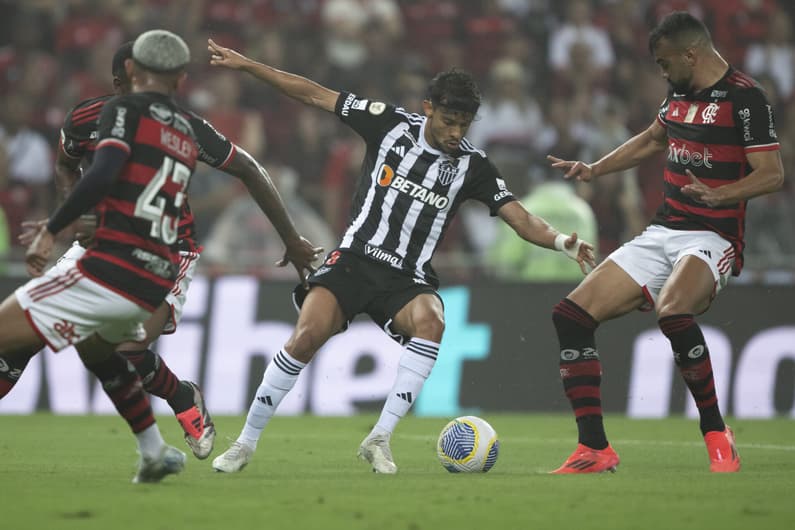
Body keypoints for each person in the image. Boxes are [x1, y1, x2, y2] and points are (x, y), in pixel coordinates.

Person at [205, 38, 596, 474]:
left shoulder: (473, 167)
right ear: (428, 107)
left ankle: (379, 438)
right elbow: (313, 93)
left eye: (464, 125)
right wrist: (248, 66)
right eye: (449, 121)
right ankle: (244, 443)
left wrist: (563, 241)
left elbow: (520, 218)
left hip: (406, 277)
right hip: (354, 259)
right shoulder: (388, 124)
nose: (455, 133)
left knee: (433, 321)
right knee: (304, 338)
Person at [0, 42, 322, 461]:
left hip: (167, 249)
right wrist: (75, 216)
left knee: (124, 352)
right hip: (100, 246)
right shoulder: (87, 118)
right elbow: (67, 163)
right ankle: (164, 431)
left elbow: (248, 167)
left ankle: (178, 401)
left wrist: (292, 238)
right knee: (20, 346)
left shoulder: (183, 125)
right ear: (122, 81)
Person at [546, 12, 784, 474]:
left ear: (691, 54)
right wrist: (595, 168)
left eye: (664, 62)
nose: (661, 72)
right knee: (570, 317)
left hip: (714, 236)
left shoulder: (746, 98)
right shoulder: (679, 92)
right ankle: (594, 450)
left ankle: (716, 432)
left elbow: (772, 174)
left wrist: (722, 195)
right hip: (664, 231)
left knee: (672, 310)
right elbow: (653, 139)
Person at [0, 29, 199, 483]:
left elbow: (106, 170)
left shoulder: (122, 109)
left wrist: (52, 228)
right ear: (182, 78)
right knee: (98, 350)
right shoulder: (185, 132)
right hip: (152, 279)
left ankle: (154, 448)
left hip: (109, 268)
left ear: (131, 70)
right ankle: (154, 452)